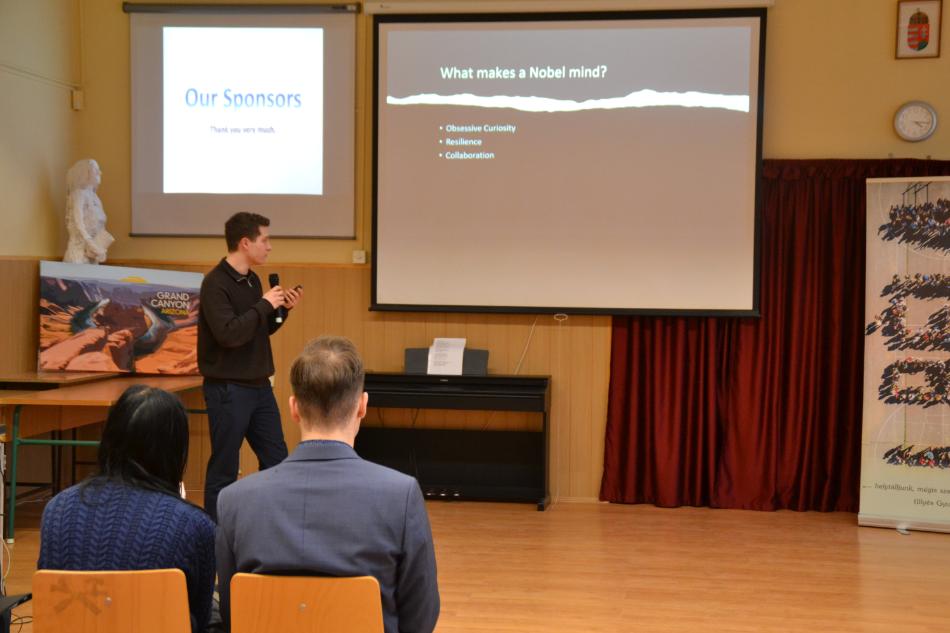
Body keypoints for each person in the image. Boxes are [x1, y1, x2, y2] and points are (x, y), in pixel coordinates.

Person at [216, 336, 440, 633]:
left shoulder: (234, 500)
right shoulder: (401, 495)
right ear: (362, 406)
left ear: (294, 408)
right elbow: (421, 618)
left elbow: (233, 613)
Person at [38, 385, 215, 633]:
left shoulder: (58, 508)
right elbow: (200, 616)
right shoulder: (195, 524)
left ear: (109, 437)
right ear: (175, 449)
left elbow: (50, 600)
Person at [198, 212, 302, 522]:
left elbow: (258, 329)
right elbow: (229, 334)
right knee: (225, 467)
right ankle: (215, 534)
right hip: (228, 389)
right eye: (264, 240)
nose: (269, 247)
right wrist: (264, 305)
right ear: (245, 243)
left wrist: (282, 311)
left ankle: (270, 527)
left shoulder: (253, 280)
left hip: (259, 386)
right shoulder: (215, 284)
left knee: (277, 461)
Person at [63, 158, 114, 264]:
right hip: (79, 253)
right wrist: (91, 243)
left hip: (92, 254)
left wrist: (101, 249)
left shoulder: (95, 198)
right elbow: (78, 222)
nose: (100, 173)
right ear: (86, 173)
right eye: (96, 170)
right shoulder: (79, 194)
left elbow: (100, 226)